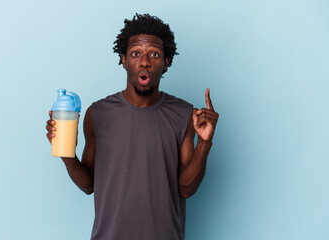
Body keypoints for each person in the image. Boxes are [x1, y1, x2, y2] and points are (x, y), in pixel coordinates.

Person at [46, 13, 219, 240]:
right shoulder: (97, 114)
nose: (145, 61)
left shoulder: (183, 114)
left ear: (166, 62)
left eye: (154, 54)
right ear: (124, 60)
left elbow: (186, 189)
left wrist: (204, 143)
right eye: (136, 53)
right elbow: (89, 185)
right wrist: (65, 152)